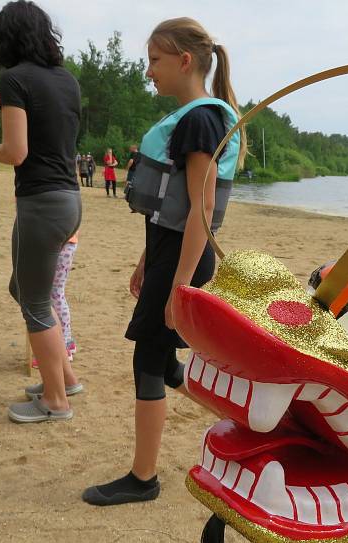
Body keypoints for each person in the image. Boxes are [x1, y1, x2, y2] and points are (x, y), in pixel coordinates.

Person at [82, 16, 246, 506]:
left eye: (155, 60)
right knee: (166, 360)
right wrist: (144, 261)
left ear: (184, 60)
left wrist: (178, 286)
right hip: (169, 255)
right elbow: (170, 208)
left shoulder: (201, 119)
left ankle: (143, 478)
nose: (149, 71)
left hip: (183, 261)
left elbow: (201, 209)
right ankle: (243, 415)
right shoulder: (198, 117)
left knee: (149, 357)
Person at [0, 0, 82, 423]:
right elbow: (43, 129)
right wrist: (4, 111)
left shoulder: (14, 77)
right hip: (68, 199)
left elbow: (15, 151)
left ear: (6, 39)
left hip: (42, 203)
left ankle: (55, 402)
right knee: (24, 290)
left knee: (34, 303)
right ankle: (64, 378)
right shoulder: (65, 79)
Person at [32, 231, 79, 369]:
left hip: (57, 242)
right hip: (60, 241)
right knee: (56, 294)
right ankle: (67, 342)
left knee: (53, 295)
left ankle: (62, 347)